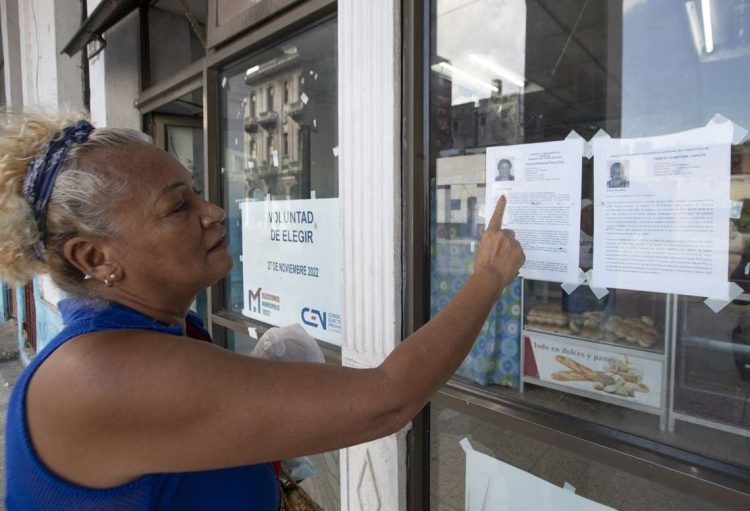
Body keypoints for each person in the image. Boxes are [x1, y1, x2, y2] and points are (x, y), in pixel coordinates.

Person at [0, 112, 524, 510]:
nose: (214, 211)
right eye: (178, 206)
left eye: (198, 192)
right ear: (95, 257)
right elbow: (387, 401)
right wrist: (488, 278)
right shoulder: (99, 375)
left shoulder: (163, 333)